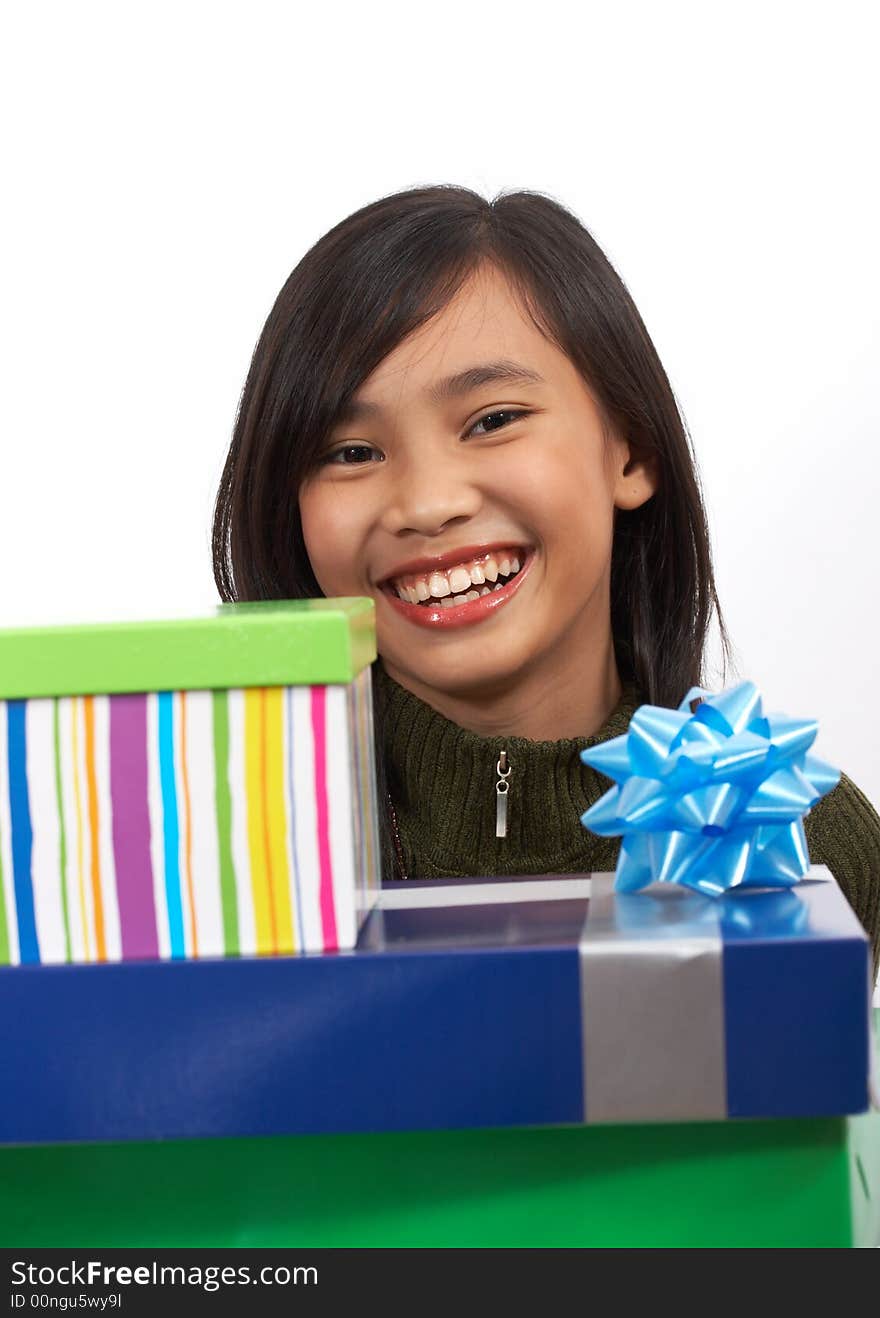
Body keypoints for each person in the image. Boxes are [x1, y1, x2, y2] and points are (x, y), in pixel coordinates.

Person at [211, 183, 880, 981]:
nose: (427, 504)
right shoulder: (219, 850)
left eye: (492, 420)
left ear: (630, 453)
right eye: (350, 452)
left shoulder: (803, 835)